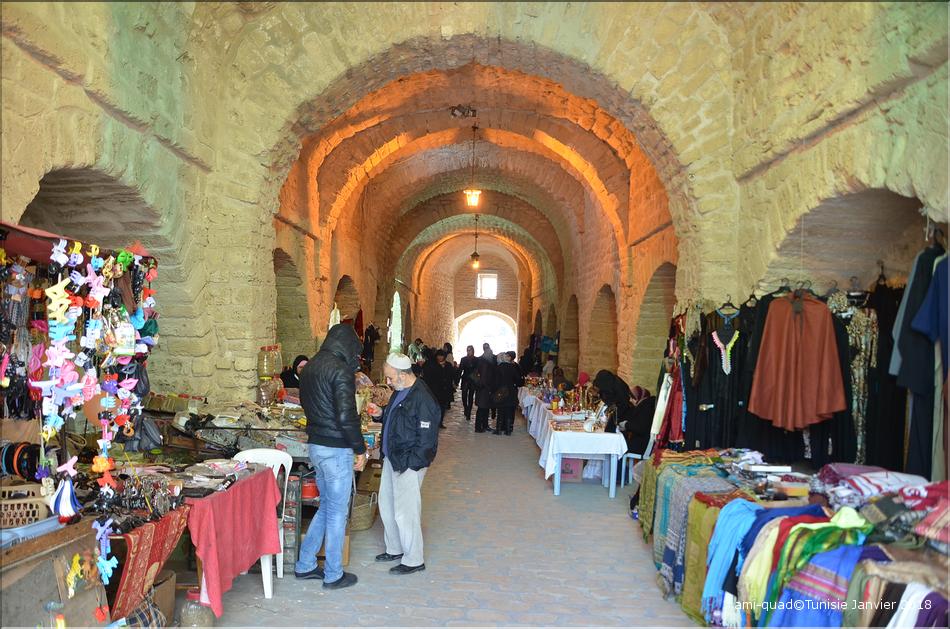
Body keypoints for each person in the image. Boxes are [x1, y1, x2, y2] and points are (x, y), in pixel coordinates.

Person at [296, 324, 367, 590]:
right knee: (337, 512)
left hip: (316, 444)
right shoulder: (340, 370)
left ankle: (305, 564)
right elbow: (346, 416)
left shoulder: (311, 366)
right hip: (337, 448)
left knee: (326, 506)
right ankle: (334, 573)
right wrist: (359, 448)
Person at [376, 353, 441, 575]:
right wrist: (380, 415)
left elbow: (427, 438)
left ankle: (413, 559)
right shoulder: (400, 391)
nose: (388, 382)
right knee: (387, 505)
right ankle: (394, 548)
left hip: (407, 462)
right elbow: (398, 420)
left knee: (406, 512)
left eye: (390, 378)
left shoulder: (422, 398)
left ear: (403, 375)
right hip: (392, 457)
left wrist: (412, 464)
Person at [493, 352, 523, 435]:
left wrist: (496, 390)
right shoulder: (512, 367)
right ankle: (508, 430)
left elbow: (496, 381)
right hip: (511, 391)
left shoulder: (499, 367)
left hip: (501, 391)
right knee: (509, 410)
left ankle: (498, 430)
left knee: (500, 410)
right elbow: (517, 379)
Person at [422, 349, 452, 429]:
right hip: (435, 390)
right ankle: (434, 421)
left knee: (442, 407)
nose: (440, 357)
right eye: (438, 355)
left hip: (444, 390)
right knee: (434, 406)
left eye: (441, 356)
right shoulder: (432, 365)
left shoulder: (448, 365)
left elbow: (450, 377)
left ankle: (440, 422)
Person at [473, 343, 496, 433]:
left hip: (487, 388)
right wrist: (480, 384)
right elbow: (475, 374)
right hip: (483, 389)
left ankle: (485, 425)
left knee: (486, 408)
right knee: (482, 408)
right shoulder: (480, 361)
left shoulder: (490, 361)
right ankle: (478, 427)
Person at [458, 345, 478, 421]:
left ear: (473, 351)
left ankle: (468, 412)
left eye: (470, 350)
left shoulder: (476, 360)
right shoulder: (463, 359)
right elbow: (460, 370)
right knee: (464, 396)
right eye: (468, 350)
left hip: (472, 380)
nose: (469, 352)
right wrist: (457, 380)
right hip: (465, 379)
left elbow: (477, 370)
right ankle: (466, 408)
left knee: (470, 397)